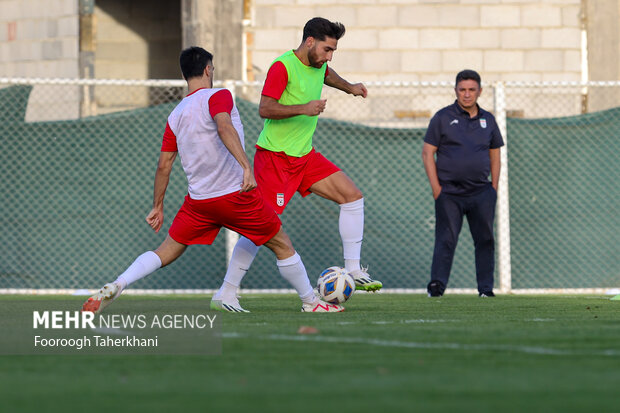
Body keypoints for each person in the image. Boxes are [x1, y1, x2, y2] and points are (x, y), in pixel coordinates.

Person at [82, 47, 344, 314]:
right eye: (213, 69)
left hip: (199, 202)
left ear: (185, 75)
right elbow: (223, 126)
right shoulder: (218, 95)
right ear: (208, 70)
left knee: (166, 251)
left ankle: (119, 283)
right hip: (235, 195)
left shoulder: (176, 114)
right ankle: (311, 302)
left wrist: (158, 206)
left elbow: (164, 164)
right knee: (281, 243)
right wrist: (246, 167)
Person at [212, 17, 382, 310]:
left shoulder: (319, 65)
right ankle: (226, 292)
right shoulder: (283, 66)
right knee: (260, 226)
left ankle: (353, 269)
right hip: (275, 159)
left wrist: (350, 87)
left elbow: (327, 75)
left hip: (304, 156)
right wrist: (304, 108)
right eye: (327, 49)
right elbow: (265, 108)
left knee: (352, 197)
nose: (329, 57)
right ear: (310, 42)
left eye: (333, 52)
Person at [422, 69, 504, 297]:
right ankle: (436, 287)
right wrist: (437, 189)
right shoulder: (442, 117)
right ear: (456, 90)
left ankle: (486, 290)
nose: (467, 94)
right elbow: (428, 153)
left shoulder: (488, 119)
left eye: (471, 90)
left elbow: (495, 155)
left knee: (485, 240)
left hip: (482, 193)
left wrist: (493, 188)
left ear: (479, 91)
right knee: (445, 241)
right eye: (462, 90)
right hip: (449, 194)